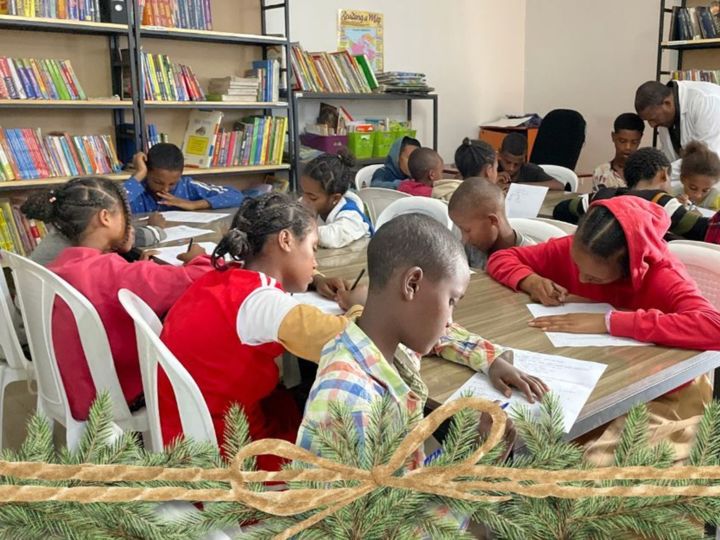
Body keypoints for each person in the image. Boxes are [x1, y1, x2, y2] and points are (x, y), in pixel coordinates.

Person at [159, 194, 536, 471]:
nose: (316, 260)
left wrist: (315, 279)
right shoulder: (263, 307)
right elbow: (362, 330)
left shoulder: (223, 277)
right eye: (313, 249)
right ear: (285, 241)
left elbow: (401, 321)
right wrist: (360, 301)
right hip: (229, 452)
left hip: (190, 426)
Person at [297, 214, 547, 489]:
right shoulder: (349, 407)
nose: (450, 318)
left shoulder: (385, 337)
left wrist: (493, 360)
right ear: (412, 284)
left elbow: (446, 335)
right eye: (451, 300)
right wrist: (473, 461)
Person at [39, 177, 212, 422]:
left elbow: (110, 286)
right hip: (115, 396)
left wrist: (135, 270)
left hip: (70, 388)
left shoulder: (60, 265)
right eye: (123, 215)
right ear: (105, 218)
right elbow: (200, 277)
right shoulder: (115, 273)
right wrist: (199, 257)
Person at [489, 196, 720, 351]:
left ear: (629, 268)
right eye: (577, 265)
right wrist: (531, 281)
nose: (580, 279)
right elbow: (502, 257)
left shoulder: (662, 275)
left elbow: (714, 327)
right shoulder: (573, 246)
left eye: (594, 278)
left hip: (652, 382)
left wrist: (609, 321)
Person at [553, 147, 711, 242]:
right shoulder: (662, 203)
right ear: (663, 175)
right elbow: (705, 231)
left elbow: (561, 210)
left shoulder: (602, 196)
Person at [22, 195, 169, 266]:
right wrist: (156, 228)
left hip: (34, 321)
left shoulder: (65, 232)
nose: (127, 222)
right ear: (104, 217)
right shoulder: (93, 247)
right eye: (123, 215)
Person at [124, 143, 252, 213]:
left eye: (172, 184)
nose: (165, 189)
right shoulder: (137, 189)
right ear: (148, 173)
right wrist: (139, 173)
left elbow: (236, 196)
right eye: (158, 182)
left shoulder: (187, 186)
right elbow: (113, 204)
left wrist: (194, 204)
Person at [635, 80, 720, 181]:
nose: (652, 125)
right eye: (648, 120)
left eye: (653, 118)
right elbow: (671, 158)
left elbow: (705, 158)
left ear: (667, 103)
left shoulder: (706, 101)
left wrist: (660, 174)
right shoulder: (666, 114)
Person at [448, 177, 536, 270]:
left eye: (467, 230)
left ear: (492, 221)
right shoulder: (472, 247)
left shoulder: (531, 258)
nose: (464, 239)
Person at [299, 151, 373, 249]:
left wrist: (298, 229)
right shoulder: (313, 201)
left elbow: (331, 238)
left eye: (312, 197)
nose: (304, 199)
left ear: (335, 198)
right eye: (303, 192)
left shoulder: (351, 216)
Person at [592, 113, 645, 190]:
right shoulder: (601, 172)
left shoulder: (646, 173)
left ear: (640, 139)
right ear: (613, 137)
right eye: (622, 141)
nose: (628, 147)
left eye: (634, 142)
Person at [497, 133, 564, 191]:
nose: (511, 168)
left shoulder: (530, 170)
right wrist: (492, 181)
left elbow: (560, 186)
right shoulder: (492, 168)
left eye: (516, 164)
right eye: (507, 162)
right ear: (500, 154)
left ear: (524, 159)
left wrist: (520, 186)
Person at [674, 140, 720, 211]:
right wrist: (674, 207)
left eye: (705, 190)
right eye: (693, 188)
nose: (698, 195)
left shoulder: (716, 199)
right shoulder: (673, 195)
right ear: (682, 179)